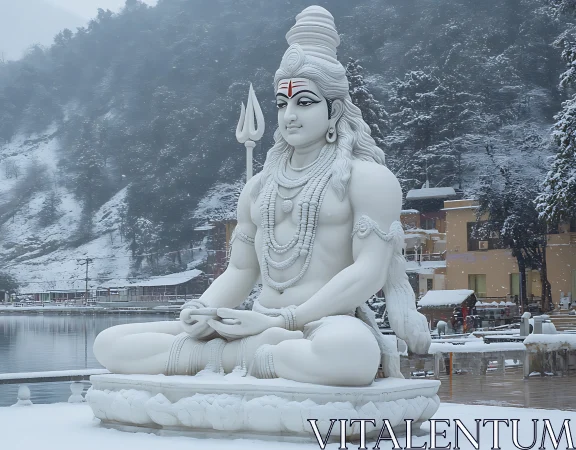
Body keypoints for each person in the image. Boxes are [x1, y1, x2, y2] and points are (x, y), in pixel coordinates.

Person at [93, 5, 430, 387]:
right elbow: (241, 270)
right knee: (110, 343)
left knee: (351, 356)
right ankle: (254, 355)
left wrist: (285, 321)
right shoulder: (259, 186)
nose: (289, 115)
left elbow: (367, 272)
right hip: (253, 323)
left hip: (323, 322)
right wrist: (205, 310)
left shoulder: (368, 178)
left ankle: (220, 359)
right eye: (282, 104)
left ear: (334, 109)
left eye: (304, 102)